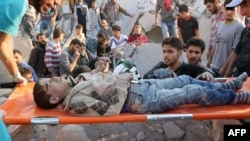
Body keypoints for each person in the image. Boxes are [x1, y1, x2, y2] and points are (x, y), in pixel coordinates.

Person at [33, 56, 250, 116]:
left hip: (142, 85)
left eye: (49, 77)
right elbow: (110, 109)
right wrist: (119, 80)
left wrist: (101, 69)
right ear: (53, 98)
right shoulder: (76, 103)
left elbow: (101, 83)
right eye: (49, 83)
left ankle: (228, 88)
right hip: (142, 101)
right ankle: (235, 98)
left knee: (185, 79)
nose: (53, 78)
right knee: (192, 91)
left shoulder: (77, 81)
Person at [143, 37, 214, 80]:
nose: (166, 55)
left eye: (170, 52)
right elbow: (145, 78)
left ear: (179, 53)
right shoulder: (161, 66)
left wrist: (206, 74)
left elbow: (207, 74)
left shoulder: (190, 68)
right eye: (164, 51)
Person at [207, 0, 244, 77]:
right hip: (214, 65)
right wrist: (210, 60)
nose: (229, 12)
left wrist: (225, 68)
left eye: (233, 9)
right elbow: (216, 44)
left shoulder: (239, 27)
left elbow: (235, 50)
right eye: (227, 9)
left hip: (224, 70)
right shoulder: (221, 24)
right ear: (223, 10)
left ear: (237, 11)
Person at [0, 0, 28, 86]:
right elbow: (2, 43)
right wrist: (15, 75)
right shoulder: (20, 2)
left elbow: (5, 41)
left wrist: (16, 74)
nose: (57, 3)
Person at [220, 0, 250, 77]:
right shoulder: (246, 30)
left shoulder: (239, 26)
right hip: (241, 77)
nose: (241, 13)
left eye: (244, 5)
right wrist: (227, 69)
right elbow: (237, 50)